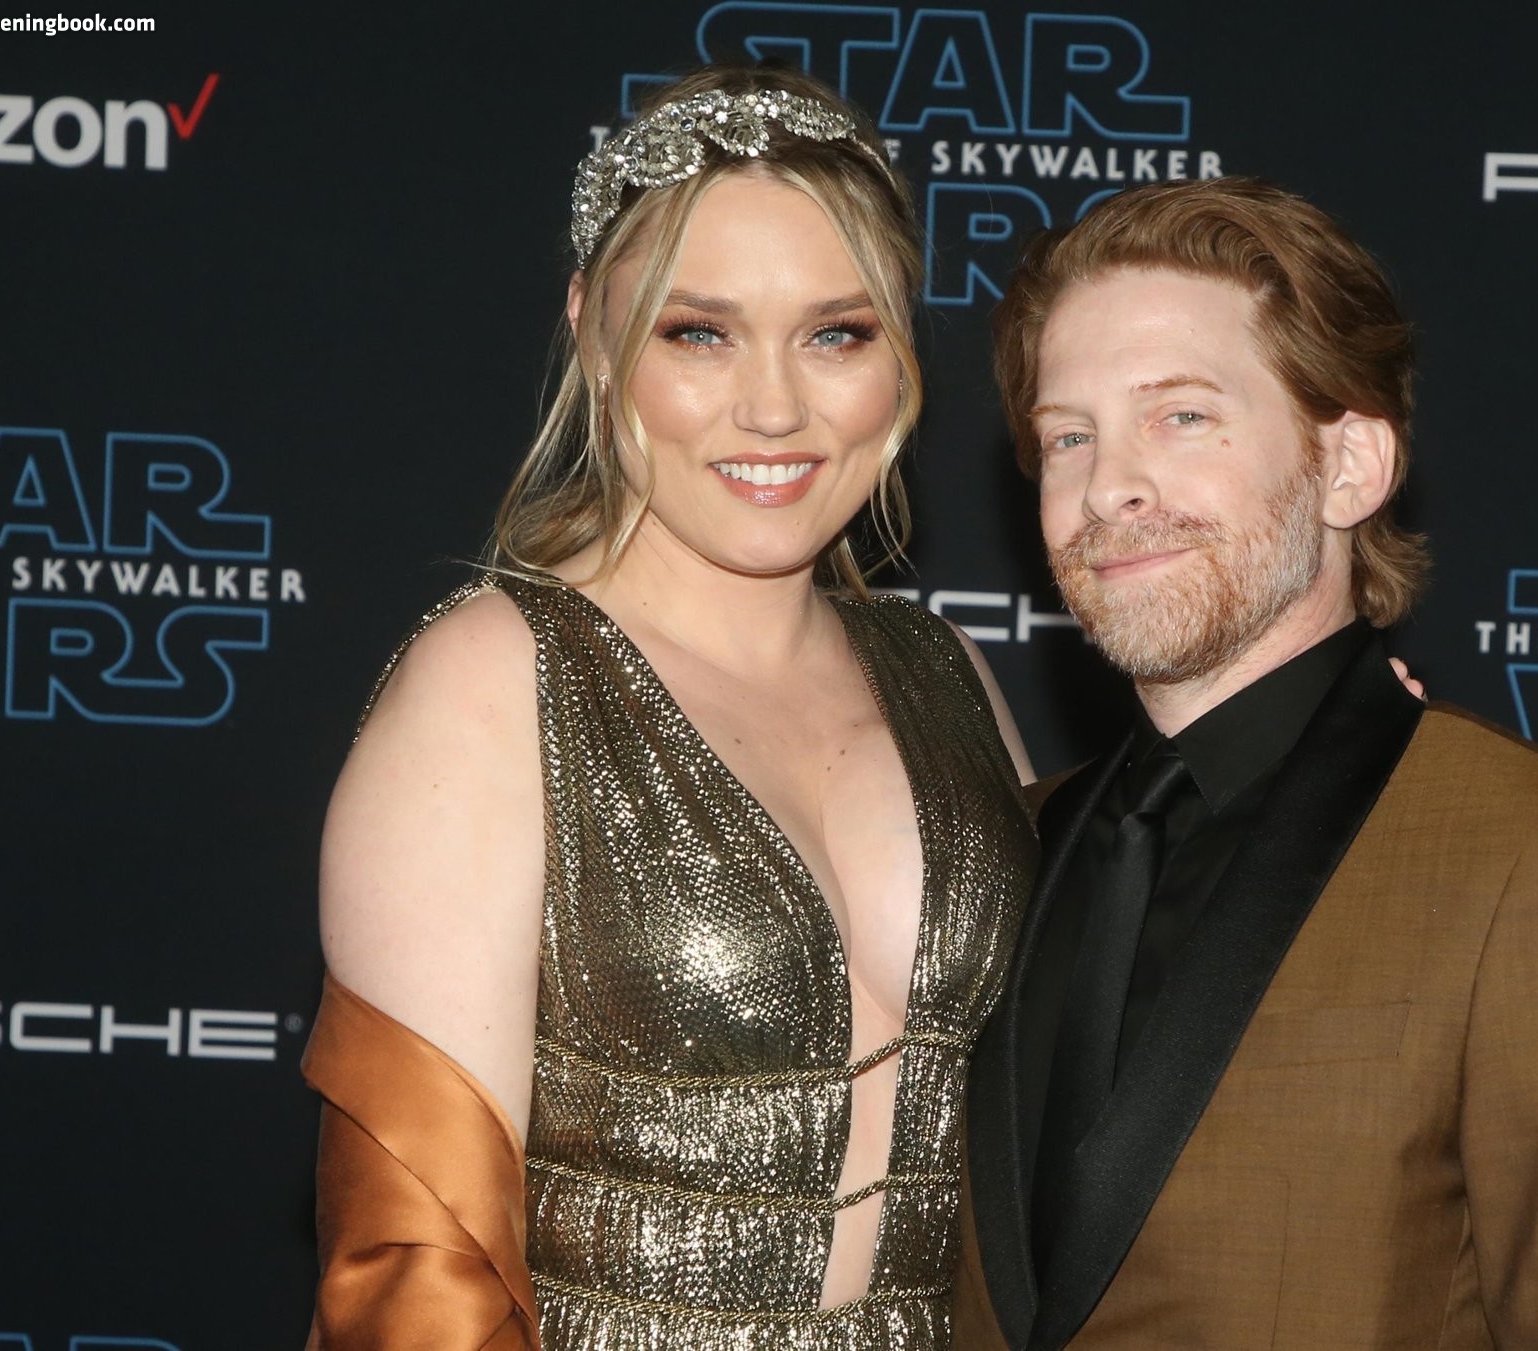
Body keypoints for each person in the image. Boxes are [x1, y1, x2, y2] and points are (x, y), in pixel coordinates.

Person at [302, 64, 1039, 1348]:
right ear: (594, 334)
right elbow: (416, 1267)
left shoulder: (947, 674)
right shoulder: (494, 685)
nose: (775, 407)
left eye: (837, 333)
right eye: (700, 333)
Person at [951, 178, 1538, 1350]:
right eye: (1070, 436)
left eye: (1182, 416)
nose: (1108, 485)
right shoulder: (1006, 846)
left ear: (1351, 466)